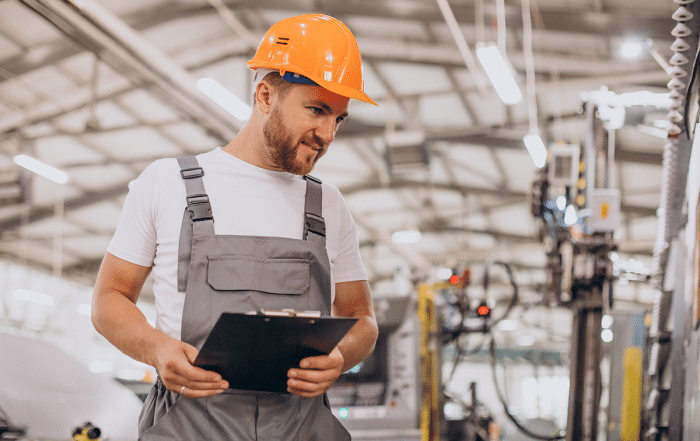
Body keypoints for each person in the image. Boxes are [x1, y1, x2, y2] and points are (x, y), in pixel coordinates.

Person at [91, 13, 379, 440]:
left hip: (299, 429)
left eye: (339, 118)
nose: (328, 133)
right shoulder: (167, 183)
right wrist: (158, 349)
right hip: (189, 427)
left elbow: (362, 318)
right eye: (316, 110)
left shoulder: (328, 206)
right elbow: (109, 298)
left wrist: (339, 354)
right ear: (265, 95)